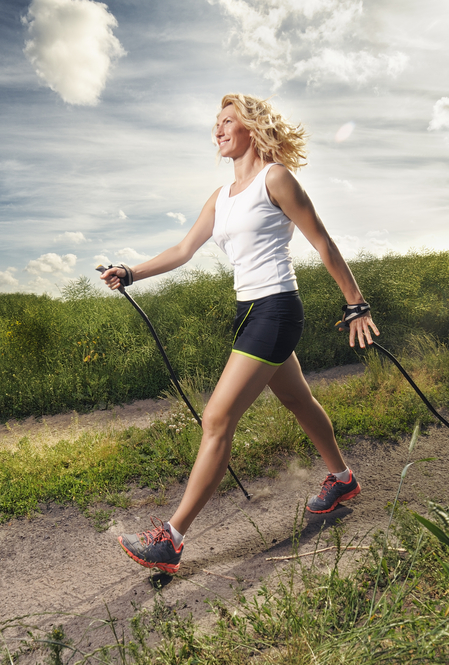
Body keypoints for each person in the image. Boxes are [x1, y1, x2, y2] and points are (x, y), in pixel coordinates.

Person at [99, 93, 379, 574]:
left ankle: (171, 538)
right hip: (248, 311)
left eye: (228, 121)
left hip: (276, 309)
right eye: (216, 123)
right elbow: (185, 249)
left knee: (216, 419)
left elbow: (322, 241)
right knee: (299, 401)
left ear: (252, 127)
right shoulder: (221, 196)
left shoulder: (276, 179)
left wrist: (356, 304)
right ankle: (343, 478)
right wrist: (132, 270)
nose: (218, 130)